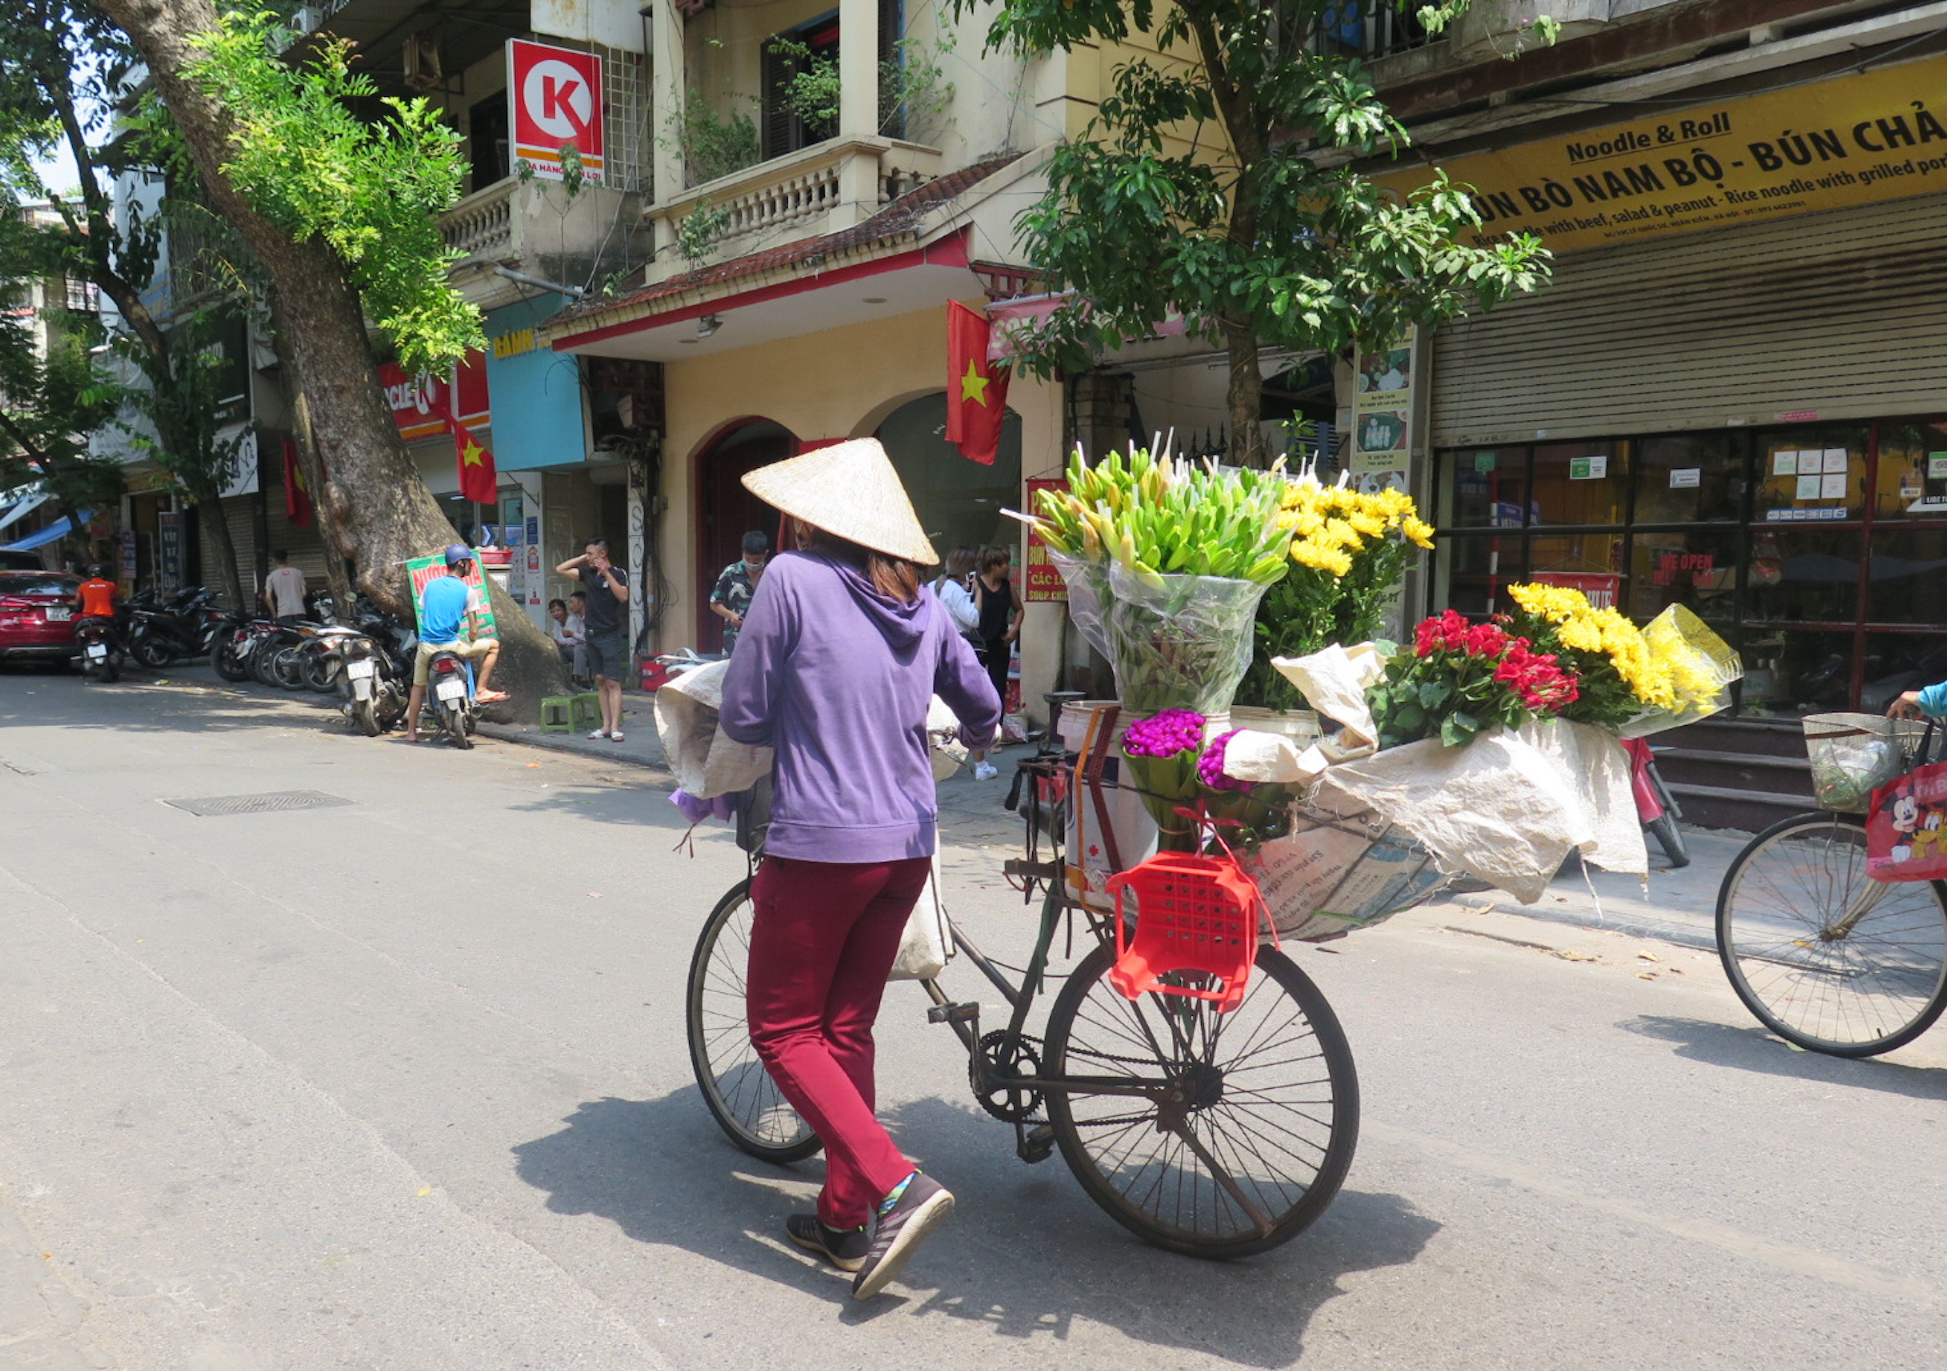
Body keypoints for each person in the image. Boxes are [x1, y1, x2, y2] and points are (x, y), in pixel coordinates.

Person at [718, 437, 1000, 1300]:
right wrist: (967, 740)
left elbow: (743, 710)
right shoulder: (922, 600)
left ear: (812, 517)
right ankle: (845, 1220)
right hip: (908, 843)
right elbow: (983, 705)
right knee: (845, 1027)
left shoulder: (791, 579)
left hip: (822, 842)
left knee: (780, 1030)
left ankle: (893, 1180)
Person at [402, 545, 507, 742]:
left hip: (426, 648)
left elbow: (425, 610)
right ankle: (481, 689)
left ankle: (411, 733)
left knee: (418, 687)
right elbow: (474, 630)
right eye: (469, 562)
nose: (471, 566)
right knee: (493, 646)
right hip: (452, 646)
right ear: (461, 563)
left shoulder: (430, 586)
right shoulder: (468, 591)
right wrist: (473, 639)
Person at [555, 537, 630, 741]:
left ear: (602, 554)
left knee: (613, 681)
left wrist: (606, 572)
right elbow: (560, 569)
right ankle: (604, 725)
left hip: (610, 634)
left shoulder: (618, 573)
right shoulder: (588, 574)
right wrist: (583, 557)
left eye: (591, 553)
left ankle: (615, 726)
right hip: (591, 634)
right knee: (600, 680)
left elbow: (623, 596)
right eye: (586, 553)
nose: (588, 557)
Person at [931, 546, 990, 776]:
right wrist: (979, 593)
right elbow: (973, 619)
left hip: (938, 650)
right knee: (970, 704)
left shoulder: (936, 586)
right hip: (960, 648)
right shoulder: (954, 590)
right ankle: (981, 765)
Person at [970, 545, 1022, 778]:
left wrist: (1014, 631)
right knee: (976, 692)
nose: (1008, 568)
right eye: (1005, 564)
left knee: (997, 690)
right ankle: (974, 736)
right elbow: (969, 612)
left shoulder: (1007, 587)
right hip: (979, 645)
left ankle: (994, 736)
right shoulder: (976, 585)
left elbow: (1020, 610)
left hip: (1000, 644)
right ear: (993, 565)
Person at [710, 530, 770, 656]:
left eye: (756, 560)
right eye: (748, 559)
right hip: (735, 640)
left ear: (766, 554)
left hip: (764, 640)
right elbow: (714, 603)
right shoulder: (730, 573)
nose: (752, 564)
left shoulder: (772, 575)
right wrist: (731, 615)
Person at [263, 550, 307, 625]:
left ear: (274, 560)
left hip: (283, 613)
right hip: (299, 611)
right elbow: (304, 593)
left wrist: (274, 614)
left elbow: (268, 598)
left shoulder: (271, 576)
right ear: (287, 559)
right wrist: (297, 600)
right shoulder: (298, 573)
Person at [71, 564, 118, 631]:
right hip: (107, 618)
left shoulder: (83, 586)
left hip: (88, 617)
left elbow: (77, 602)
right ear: (103, 575)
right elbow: (117, 598)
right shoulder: (111, 585)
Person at [546, 597, 583, 670]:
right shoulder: (557, 622)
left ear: (564, 610)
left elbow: (574, 641)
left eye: (558, 610)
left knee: (560, 651)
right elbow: (557, 637)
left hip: (577, 649)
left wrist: (559, 642)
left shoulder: (573, 619)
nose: (556, 613)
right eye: (553, 611)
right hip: (564, 648)